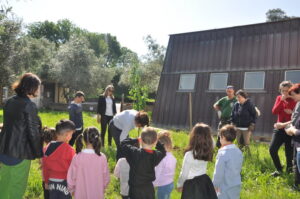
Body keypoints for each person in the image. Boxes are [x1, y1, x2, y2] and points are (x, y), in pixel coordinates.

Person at [0, 73, 43, 199]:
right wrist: (39, 154)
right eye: (38, 87)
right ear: (32, 87)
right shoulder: (29, 105)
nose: (39, 90)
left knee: (4, 183)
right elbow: (33, 133)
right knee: (17, 187)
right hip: (20, 153)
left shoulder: (8, 102)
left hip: (4, 150)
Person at [121, 127, 166, 199]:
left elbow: (123, 143)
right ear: (154, 142)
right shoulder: (155, 155)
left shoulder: (134, 153)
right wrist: (157, 142)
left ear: (140, 140)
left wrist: (136, 139)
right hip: (148, 189)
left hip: (135, 190)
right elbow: (163, 151)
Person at [67, 127, 110, 199]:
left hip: (80, 195)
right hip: (97, 194)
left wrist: (72, 189)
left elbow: (71, 178)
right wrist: (103, 188)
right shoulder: (102, 157)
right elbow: (106, 178)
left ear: (83, 139)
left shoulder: (77, 157)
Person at [177, 123, 217, 199]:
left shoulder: (189, 155)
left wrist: (180, 184)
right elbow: (213, 142)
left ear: (193, 137)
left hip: (191, 185)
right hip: (204, 182)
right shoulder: (208, 149)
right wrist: (206, 134)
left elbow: (184, 173)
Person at [42, 119, 76, 199]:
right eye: (71, 135)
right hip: (65, 183)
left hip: (51, 183)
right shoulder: (70, 150)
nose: (71, 137)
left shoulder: (46, 148)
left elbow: (45, 168)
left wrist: (46, 182)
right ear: (67, 135)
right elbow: (73, 170)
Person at [270, 81, 296, 176]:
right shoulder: (279, 98)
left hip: (290, 128)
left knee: (289, 153)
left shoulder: (295, 99)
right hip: (279, 128)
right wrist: (281, 100)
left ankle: (289, 172)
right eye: (282, 91)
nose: (284, 93)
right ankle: (279, 169)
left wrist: (292, 112)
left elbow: (297, 115)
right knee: (272, 149)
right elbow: (274, 111)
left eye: (286, 91)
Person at [213, 125, 243, 199]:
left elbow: (218, 173)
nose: (219, 139)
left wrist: (214, 186)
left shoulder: (222, 154)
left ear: (223, 137)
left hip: (223, 188)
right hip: (236, 186)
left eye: (219, 137)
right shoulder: (239, 152)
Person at [285, 83, 300, 190]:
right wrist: (289, 127)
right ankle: (296, 185)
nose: (292, 97)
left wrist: (294, 131)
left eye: (294, 95)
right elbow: (295, 120)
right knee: (295, 163)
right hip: (296, 141)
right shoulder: (298, 104)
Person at [153, 131, 177, 199]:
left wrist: (153, 185)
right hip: (170, 183)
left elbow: (157, 173)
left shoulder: (161, 158)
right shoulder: (172, 157)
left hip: (163, 185)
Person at [41, 127, 56, 199]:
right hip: (57, 180)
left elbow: (41, 164)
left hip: (45, 180)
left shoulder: (43, 150)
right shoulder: (58, 149)